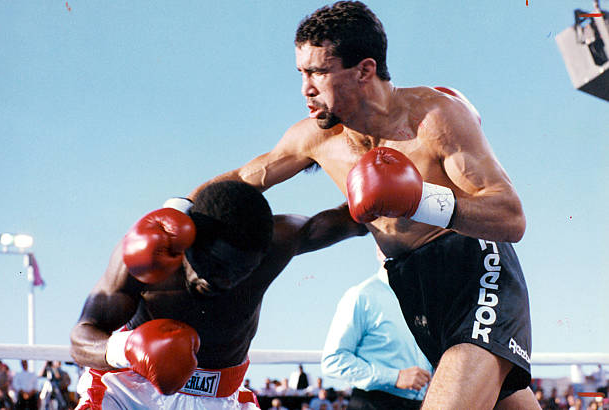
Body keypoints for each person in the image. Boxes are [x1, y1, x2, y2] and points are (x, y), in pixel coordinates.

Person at [188, 2, 538, 408]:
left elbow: (510, 216)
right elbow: (242, 181)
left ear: (364, 70)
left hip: (475, 271)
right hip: (415, 288)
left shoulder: (435, 118)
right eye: (302, 72)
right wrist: (174, 213)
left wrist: (418, 200)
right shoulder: (315, 138)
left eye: (318, 71)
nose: (306, 87)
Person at [70, 181, 367, 409]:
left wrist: (392, 188)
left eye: (239, 272)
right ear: (190, 239)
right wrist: (128, 349)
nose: (223, 280)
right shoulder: (145, 259)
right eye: (215, 264)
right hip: (129, 390)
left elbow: (359, 216)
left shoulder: (282, 242)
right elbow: (82, 337)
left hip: (219, 396)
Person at [322, 246, 432, 409]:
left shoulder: (427, 298)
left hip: (423, 403)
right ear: (378, 251)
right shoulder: (361, 295)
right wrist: (395, 377)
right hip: (372, 403)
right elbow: (334, 360)